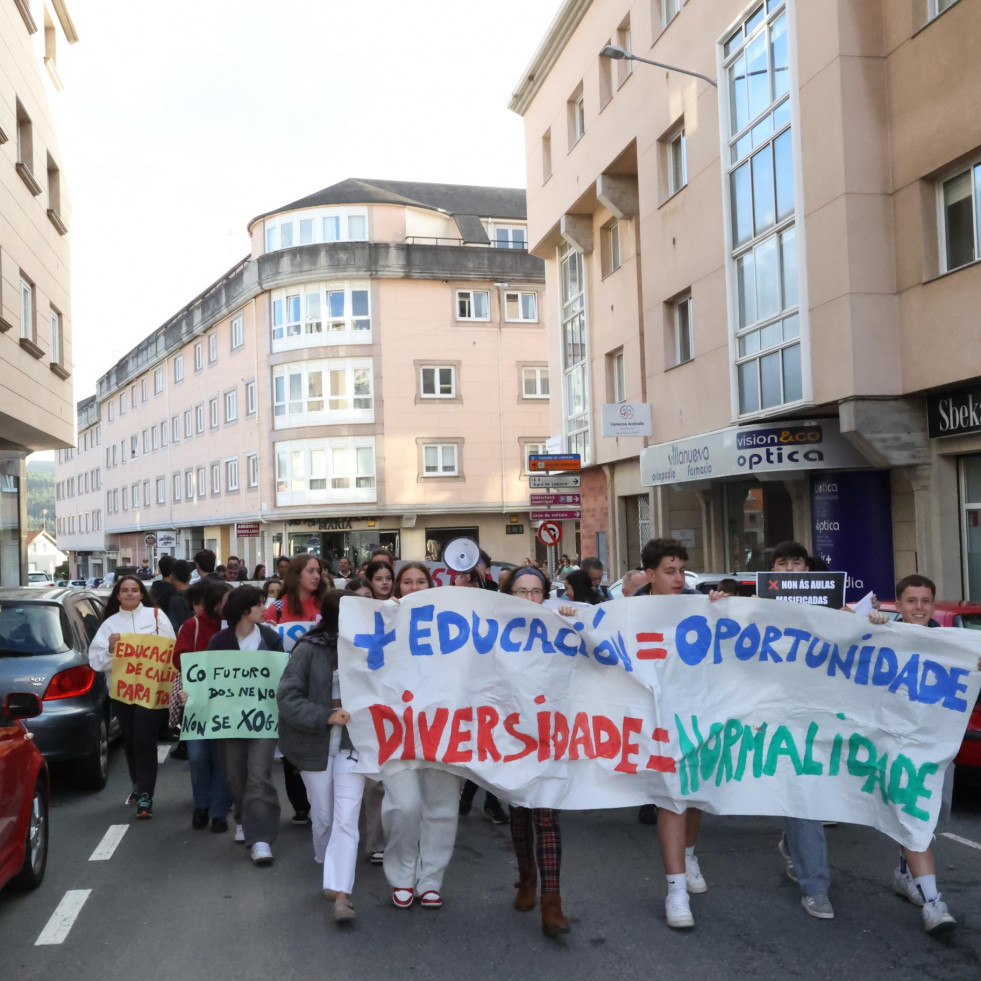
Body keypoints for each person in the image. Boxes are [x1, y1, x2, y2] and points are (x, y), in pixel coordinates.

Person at [867, 574, 957, 934]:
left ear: (933, 604)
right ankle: (934, 904)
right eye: (911, 601)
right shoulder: (885, 635)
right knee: (916, 818)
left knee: (930, 820)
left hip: (937, 747)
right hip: (897, 746)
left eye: (925, 601)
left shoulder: (954, 644)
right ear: (898, 604)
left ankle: (905, 874)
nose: (919, 608)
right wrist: (868, 624)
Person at [631, 538, 704, 927]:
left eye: (681, 571)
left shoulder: (703, 607)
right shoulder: (628, 612)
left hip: (697, 717)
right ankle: (676, 891)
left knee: (692, 798)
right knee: (670, 798)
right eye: (669, 571)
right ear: (650, 575)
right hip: (652, 720)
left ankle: (689, 854)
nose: (678, 579)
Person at [278, 590, 364, 923]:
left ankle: (342, 893)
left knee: (346, 819)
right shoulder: (308, 649)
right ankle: (328, 865)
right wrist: (325, 716)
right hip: (315, 745)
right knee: (325, 816)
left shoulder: (368, 648)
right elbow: (287, 698)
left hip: (354, 746)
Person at [760, 541, 835, 922]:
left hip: (823, 716)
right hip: (778, 719)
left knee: (812, 793)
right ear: (772, 572)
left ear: (808, 569)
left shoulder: (831, 607)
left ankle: (794, 846)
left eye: (797, 562)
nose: (790, 569)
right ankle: (815, 886)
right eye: (781, 563)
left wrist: (869, 621)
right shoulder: (755, 608)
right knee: (804, 795)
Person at [501, 566, 576, 936]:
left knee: (546, 815)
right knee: (520, 814)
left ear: (545, 596)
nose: (529, 598)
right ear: (508, 595)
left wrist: (575, 622)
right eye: (521, 591)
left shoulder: (560, 626)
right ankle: (526, 876)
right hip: (511, 737)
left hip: (550, 734)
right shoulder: (492, 632)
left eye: (535, 592)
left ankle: (552, 901)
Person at [381, 562, 460, 911]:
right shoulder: (383, 620)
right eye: (407, 582)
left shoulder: (454, 624)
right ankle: (401, 876)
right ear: (398, 587)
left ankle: (430, 880)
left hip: (442, 729)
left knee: (441, 808)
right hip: (396, 731)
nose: (414, 588)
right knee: (404, 806)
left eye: (420, 581)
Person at [208, 585, 285, 866]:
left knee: (259, 775)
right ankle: (243, 816)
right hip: (229, 720)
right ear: (244, 609)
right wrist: (192, 693)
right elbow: (209, 680)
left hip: (264, 718)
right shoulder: (219, 641)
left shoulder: (271, 639)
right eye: (259, 604)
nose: (265, 609)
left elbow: (281, 675)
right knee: (235, 774)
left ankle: (261, 838)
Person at [88, 575, 176, 818]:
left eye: (134, 590)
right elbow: (95, 662)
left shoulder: (157, 617)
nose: (129, 594)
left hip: (151, 690)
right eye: (124, 590)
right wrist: (110, 649)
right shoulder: (109, 625)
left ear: (141, 594)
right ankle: (137, 784)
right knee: (131, 738)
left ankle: (146, 795)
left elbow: (171, 649)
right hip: (123, 693)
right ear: (117, 595)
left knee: (145, 740)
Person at [264, 553, 325, 823]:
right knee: (291, 743)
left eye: (318, 571)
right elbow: (265, 646)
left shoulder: (326, 604)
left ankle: (319, 800)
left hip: (321, 684)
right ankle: (300, 805)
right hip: (288, 684)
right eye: (310, 571)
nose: (316, 576)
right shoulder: (276, 608)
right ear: (296, 574)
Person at [173, 580, 233, 832]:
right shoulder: (193, 625)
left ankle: (218, 813)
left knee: (221, 760)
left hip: (228, 704)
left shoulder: (237, 628)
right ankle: (202, 804)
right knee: (198, 757)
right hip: (198, 703)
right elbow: (179, 659)